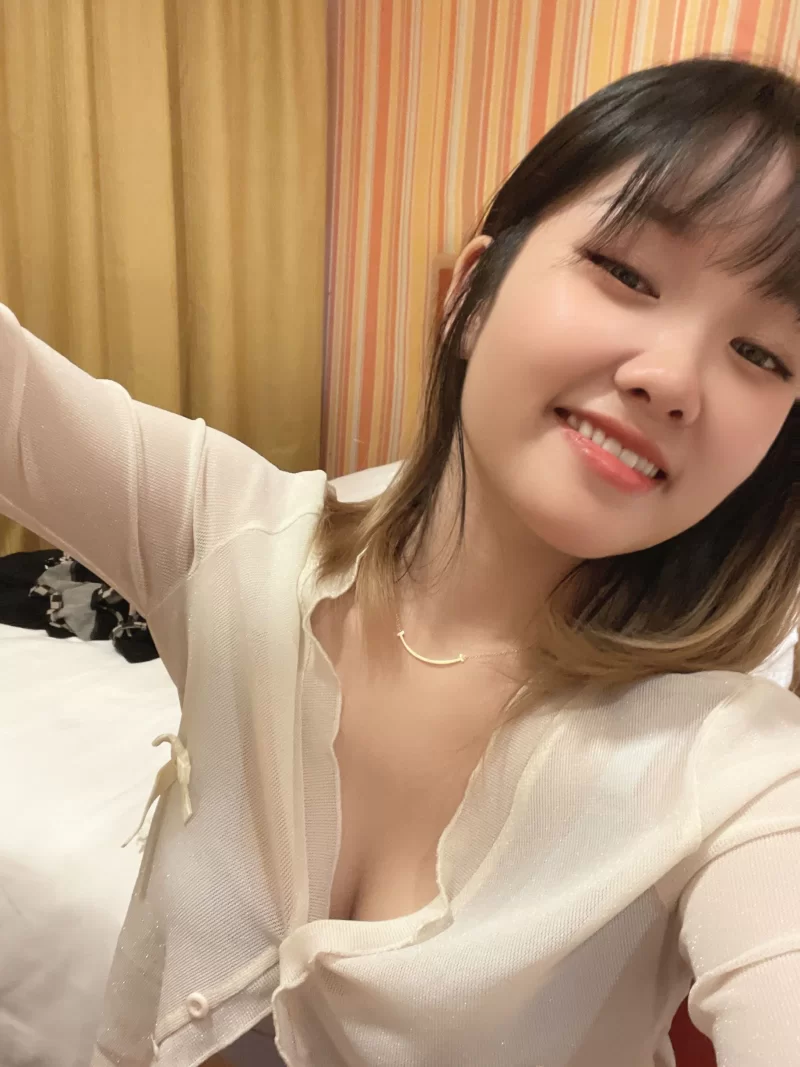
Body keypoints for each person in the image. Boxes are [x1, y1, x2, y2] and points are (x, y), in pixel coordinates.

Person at [1, 55, 799, 1067]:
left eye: (762, 354)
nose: (672, 378)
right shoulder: (227, 535)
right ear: (470, 297)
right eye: (627, 274)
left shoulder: (736, 773)